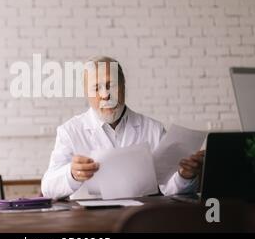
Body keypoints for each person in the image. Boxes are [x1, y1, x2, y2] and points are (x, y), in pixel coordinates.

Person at [41, 56, 204, 199]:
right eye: (96, 88)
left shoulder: (153, 129)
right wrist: (71, 175)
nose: (105, 95)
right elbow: (48, 188)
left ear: (123, 86)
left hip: (138, 220)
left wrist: (185, 176)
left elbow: (170, 188)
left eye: (110, 85)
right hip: (88, 222)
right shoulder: (70, 132)